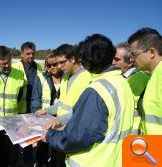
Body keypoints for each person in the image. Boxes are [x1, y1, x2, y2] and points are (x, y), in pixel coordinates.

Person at [42, 34, 135, 167]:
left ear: (88, 61)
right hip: (116, 159)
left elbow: (79, 137)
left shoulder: (96, 90)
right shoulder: (122, 83)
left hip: (94, 160)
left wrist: (50, 136)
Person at [36, 46, 92, 166]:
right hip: (61, 129)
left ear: (73, 59)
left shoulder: (87, 78)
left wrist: (59, 119)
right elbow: (62, 102)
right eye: (58, 63)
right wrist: (47, 110)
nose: (59, 66)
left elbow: (83, 111)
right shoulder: (66, 77)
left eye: (62, 62)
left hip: (72, 131)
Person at [12, 42, 42, 166]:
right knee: (15, 136)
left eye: (32, 53)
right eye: (27, 53)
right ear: (22, 54)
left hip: (33, 107)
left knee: (30, 136)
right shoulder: (15, 67)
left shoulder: (38, 67)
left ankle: (28, 161)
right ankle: (14, 160)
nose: (30, 56)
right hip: (18, 107)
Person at [128, 27, 162, 135]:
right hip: (152, 149)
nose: (131, 59)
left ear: (152, 52)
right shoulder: (154, 75)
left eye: (134, 54)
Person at [31, 54, 62, 166]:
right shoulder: (41, 77)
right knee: (42, 145)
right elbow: (35, 99)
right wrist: (37, 116)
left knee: (57, 147)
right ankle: (41, 164)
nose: (52, 67)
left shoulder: (67, 77)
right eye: (48, 65)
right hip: (44, 117)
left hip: (60, 118)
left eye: (54, 64)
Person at [113, 42, 150, 134]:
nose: (113, 63)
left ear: (130, 62)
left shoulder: (139, 78)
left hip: (134, 134)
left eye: (117, 59)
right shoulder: (123, 77)